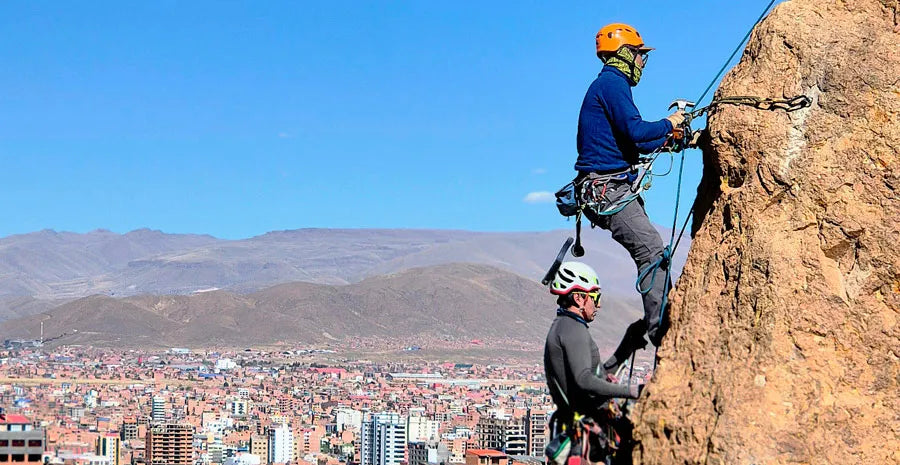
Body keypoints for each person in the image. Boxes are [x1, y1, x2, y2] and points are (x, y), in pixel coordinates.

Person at [574, 23, 695, 351]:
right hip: (607, 189)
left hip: (606, 188)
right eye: (640, 55)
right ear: (624, 54)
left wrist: (676, 140)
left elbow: (636, 142)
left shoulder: (608, 85)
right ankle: (662, 332)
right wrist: (670, 123)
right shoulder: (612, 84)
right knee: (652, 251)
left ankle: (662, 324)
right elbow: (637, 132)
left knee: (650, 249)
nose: (643, 61)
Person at [544, 261, 643, 463]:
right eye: (595, 297)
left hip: (581, 432)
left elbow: (598, 375)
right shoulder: (572, 329)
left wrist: (627, 344)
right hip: (585, 437)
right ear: (579, 298)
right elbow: (585, 380)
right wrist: (633, 391)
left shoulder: (566, 326)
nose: (598, 305)